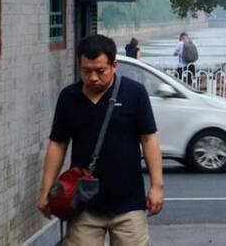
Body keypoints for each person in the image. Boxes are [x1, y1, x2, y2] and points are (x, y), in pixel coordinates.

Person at [36, 34, 164, 246]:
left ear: (114, 65)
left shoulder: (135, 93)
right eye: (87, 71)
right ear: (79, 65)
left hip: (128, 203)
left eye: (100, 71)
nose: (93, 77)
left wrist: (157, 186)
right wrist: (45, 190)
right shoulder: (69, 97)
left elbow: (149, 140)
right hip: (83, 203)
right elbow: (57, 144)